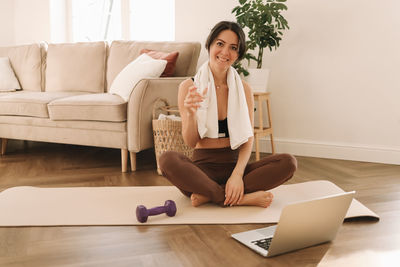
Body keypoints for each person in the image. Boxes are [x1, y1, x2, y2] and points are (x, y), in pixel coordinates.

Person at [159, 21, 297, 208]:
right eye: (220, 44)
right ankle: (241, 198)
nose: (225, 52)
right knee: (167, 159)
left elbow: (247, 139)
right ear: (210, 45)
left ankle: (211, 195)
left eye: (233, 48)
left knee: (288, 162)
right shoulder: (189, 87)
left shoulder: (244, 90)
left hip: (236, 166)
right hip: (201, 170)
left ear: (238, 54)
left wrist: (237, 175)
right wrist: (191, 115)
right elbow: (191, 142)